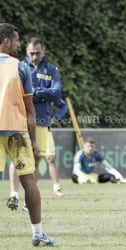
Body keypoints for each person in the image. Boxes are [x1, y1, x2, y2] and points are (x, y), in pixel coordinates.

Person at [0, 23, 54, 246]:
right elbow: (29, 106)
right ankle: (38, 234)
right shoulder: (20, 67)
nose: (18, 44)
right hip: (16, 131)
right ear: (6, 41)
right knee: (29, 181)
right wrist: (33, 140)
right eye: (16, 40)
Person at [7, 97, 68, 210]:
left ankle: (29, 200)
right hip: (21, 125)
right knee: (17, 158)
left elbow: (56, 96)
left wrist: (54, 118)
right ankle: (14, 195)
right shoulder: (20, 82)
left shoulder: (48, 83)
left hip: (41, 127)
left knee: (35, 161)